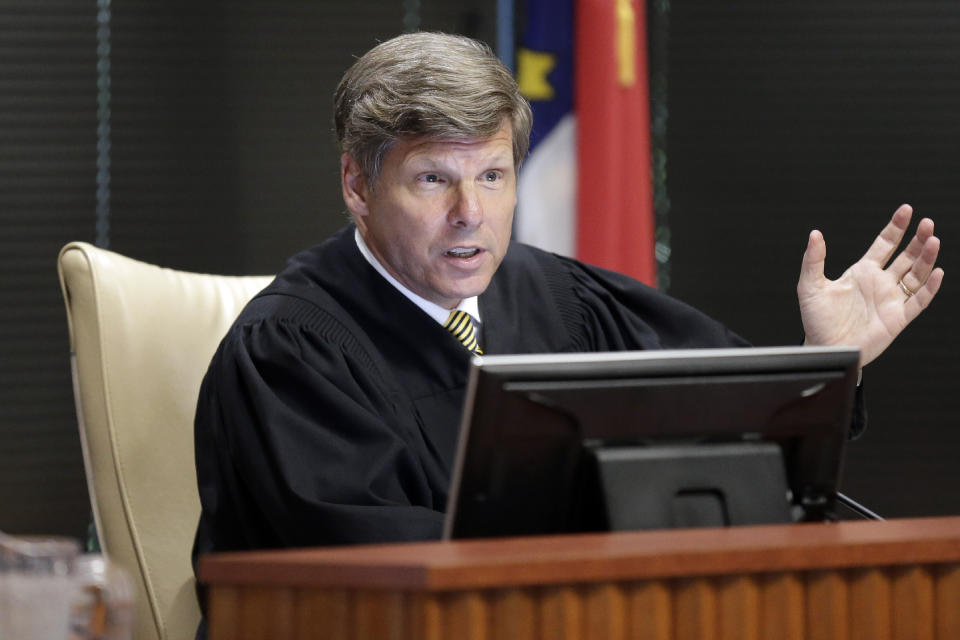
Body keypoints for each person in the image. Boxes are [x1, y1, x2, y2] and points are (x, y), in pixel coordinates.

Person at [192, 27, 942, 589]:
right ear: (358, 186)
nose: (469, 214)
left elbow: (724, 431)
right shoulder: (291, 351)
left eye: (492, 175)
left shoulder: (558, 297)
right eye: (432, 181)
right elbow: (370, 573)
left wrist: (824, 363)